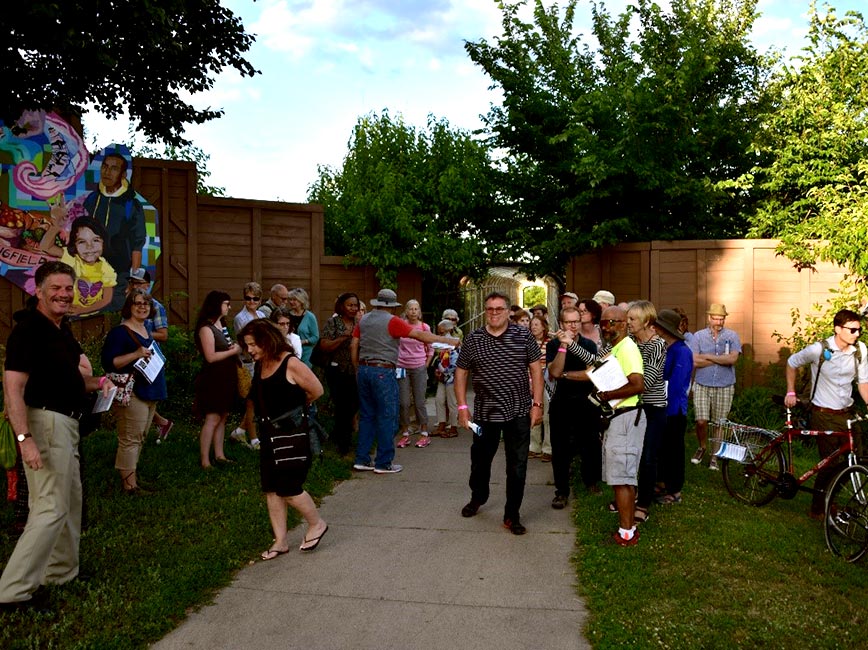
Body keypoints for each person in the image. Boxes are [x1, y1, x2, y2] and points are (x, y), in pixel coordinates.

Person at [0, 261, 115, 611]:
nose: (64, 294)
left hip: (67, 424)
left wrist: (103, 383)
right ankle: (12, 592)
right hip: (45, 424)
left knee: (70, 502)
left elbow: (70, 380)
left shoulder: (59, 329)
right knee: (49, 507)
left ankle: (61, 572)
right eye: (56, 288)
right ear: (38, 290)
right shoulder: (28, 331)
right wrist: (25, 439)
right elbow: (13, 390)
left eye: (69, 288)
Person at [456, 291, 544, 536]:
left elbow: (536, 370)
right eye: (490, 309)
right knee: (480, 462)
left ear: (508, 312)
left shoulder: (523, 335)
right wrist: (462, 408)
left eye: (499, 308)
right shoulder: (473, 339)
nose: (494, 313)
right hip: (485, 413)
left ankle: (512, 513)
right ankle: (478, 497)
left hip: (518, 411)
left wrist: (537, 404)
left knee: (517, 466)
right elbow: (461, 373)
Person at [240, 319, 329, 557]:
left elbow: (316, 390)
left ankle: (316, 523)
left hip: (292, 434)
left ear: (266, 340)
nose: (250, 350)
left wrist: (296, 408)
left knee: (289, 488)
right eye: (247, 345)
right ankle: (280, 541)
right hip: (269, 434)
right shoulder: (261, 364)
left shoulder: (291, 363)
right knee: (271, 488)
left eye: (253, 345)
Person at [351, 289, 457, 474]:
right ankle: (383, 463)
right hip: (383, 370)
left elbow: (354, 344)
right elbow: (420, 336)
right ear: (392, 306)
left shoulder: (364, 319)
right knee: (387, 416)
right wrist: (447, 340)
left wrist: (357, 368)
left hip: (364, 369)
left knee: (367, 415)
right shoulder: (392, 321)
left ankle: (362, 459)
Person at [784, 309, 868, 519]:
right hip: (822, 413)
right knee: (829, 463)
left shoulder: (860, 351)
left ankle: (832, 497)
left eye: (860, 330)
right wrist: (791, 391)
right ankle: (818, 508)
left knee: (854, 459)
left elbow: (863, 383)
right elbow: (791, 363)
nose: (857, 334)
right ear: (838, 329)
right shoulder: (818, 350)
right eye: (853, 330)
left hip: (847, 413)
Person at [589, 306, 646, 546]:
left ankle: (627, 533)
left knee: (621, 479)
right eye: (602, 323)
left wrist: (606, 395)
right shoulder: (617, 348)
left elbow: (637, 384)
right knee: (624, 477)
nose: (606, 328)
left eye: (612, 322)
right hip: (620, 418)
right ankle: (628, 527)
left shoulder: (628, 348)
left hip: (626, 417)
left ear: (624, 324)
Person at [101, 289, 168, 493]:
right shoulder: (119, 333)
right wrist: (136, 354)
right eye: (137, 303)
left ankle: (133, 478)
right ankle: (129, 486)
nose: (142, 307)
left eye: (146, 304)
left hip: (150, 390)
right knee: (130, 437)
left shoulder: (146, 329)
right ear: (129, 307)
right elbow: (110, 363)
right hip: (132, 392)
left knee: (141, 435)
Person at [547, 305, 601, 507]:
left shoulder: (589, 344)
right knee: (560, 447)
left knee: (590, 444)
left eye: (576, 321)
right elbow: (554, 371)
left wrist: (567, 375)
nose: (573, 326)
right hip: (561, 401)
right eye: (568, 322)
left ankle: (591, 482)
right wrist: (563, 346)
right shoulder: (553, 345)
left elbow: (591, 373)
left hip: (586, 401)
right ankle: (561, 490)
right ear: (561, 324)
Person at [83, 147, 146, 311]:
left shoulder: (131, 204)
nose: (107, 172)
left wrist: (134, 280)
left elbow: (137, 245)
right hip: (89, 271)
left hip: (119, 274)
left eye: (114, 168)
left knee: (113, 312)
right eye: (105, 166)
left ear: (123, 174)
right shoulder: (92, 199)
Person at [627, 301, 667, 526]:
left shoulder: (657, 345)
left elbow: (646, 382)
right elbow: (599, 360)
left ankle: (643, 503)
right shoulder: (629, 342)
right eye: (628, 318)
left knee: (648, 457)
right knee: (632, 454)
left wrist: (616, 385)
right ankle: (628, 497)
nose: (628, 323)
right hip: (632, 407)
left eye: (632, 319)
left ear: (646, 322)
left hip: (653, 409)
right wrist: (568, 344)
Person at [689, 304, 741, 470]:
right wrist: (720, 358)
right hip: (702, 384)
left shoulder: (732, 336)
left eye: (722, 318)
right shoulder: (698, 336)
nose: (719, 322)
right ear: (709, 318)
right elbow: (694, 361)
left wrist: (707, 357)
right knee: (701, 421)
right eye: (716, 318)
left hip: (724, 385)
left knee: (720, 423)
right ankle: (702, 446)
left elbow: (732, 359)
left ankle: (714, 456)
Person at [194, 291, 241, 469]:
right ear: (216, 305)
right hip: (213, 378)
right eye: (226, 303)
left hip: (226, 376)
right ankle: (205, 459)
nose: (229, 307)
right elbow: (210, 356)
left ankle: (220, 455)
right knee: (212, 417)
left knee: (223, 416)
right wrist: (233, 351)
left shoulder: (221, 324)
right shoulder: (206, 328)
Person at [651, 309, 694, 505]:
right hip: (661, 406)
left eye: (657, 326)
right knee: (660, 448)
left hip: (674, 409)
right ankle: (660, 483)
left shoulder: (682, 351)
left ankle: (675, 490)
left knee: (674, 450)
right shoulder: (664, 348)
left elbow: (677, 386)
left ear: (664, 329)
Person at [126, 269, 173, 441]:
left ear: (147, 285)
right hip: (130, 356)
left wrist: (140, 334)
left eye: (138, 283)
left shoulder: (155, 307)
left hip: (148, 360)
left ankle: (145, 432)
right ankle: (158, 424)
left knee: (143, 397)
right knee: (132, 394)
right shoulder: (129, 305)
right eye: (132, 283)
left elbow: (164, 334)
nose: (134, 286)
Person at [43, 216, 118, 316]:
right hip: (63, 316)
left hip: (92, 318)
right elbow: (45, 246)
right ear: (74, 244)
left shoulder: (106, 269)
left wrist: (82, 311)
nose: (89, 247)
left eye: (95, 240)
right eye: (82, 242)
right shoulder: (72, 258)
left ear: (104, 242)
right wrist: (56, 225)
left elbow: (106, 299)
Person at [318, 292, 361, 455]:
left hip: (355, 370)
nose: (353, 308)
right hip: (336, 370)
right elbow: (324, 345)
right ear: (342, 306)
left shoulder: (360, 323)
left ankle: (338, 433)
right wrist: (343, 338)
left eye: (355, 305)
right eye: (350, 305)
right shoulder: (333, 322)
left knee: (353, 404)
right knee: (342, 406)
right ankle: (344, 444)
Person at [230, 282, 265, 450]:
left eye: (255, 299)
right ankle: (253, 437)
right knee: (252, 401)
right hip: (248, 362)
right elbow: (245, 343)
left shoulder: (261, 315)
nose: (251, 302)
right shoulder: (240, 318)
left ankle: (240, 430)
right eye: (248, 298)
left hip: (261, 361)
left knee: (257, 400)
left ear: (260, 300)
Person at [396, 299, 434, 449]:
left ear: (419, 312)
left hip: (419, 366)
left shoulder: (425, 327)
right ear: (406, 311)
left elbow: (431, 348)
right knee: (404, 402)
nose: (413, 311)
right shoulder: (400, 325)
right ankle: (405, 432)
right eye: (410, 309)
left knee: (419, 401)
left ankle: (424, 432)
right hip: (402, 367)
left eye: (416, 309)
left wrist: (426, 364)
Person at [528, 315, 552, 462]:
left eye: (537, 324)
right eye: (532, 324)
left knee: (548, 416)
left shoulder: (550, 342)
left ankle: (548, 448)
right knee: (534, 414)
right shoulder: (528, 342)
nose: (534, 327)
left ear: (544, 326)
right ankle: (534, 446)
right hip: (531, 381)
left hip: (547, 381)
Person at [432, 319, 460, 438]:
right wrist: (439, 370)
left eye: (441, 331)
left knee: (452, 403)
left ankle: (454, 427)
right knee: (439, 400)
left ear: (448, 329)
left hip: (452, 378)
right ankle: (441, 425)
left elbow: (455, 362)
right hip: (443, 378)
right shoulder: (444, 343)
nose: (440, 334)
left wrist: (444, 372)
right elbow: (440, 359)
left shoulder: (454, 343)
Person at [286, 287, 319, 367]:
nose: (291, 302)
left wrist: (302, 342)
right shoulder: (287, 315)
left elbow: (315, 337)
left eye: (294, 300)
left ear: (301, 301)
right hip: (289, 352)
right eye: (290, 299)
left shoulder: (310, 316)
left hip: (306, 354)